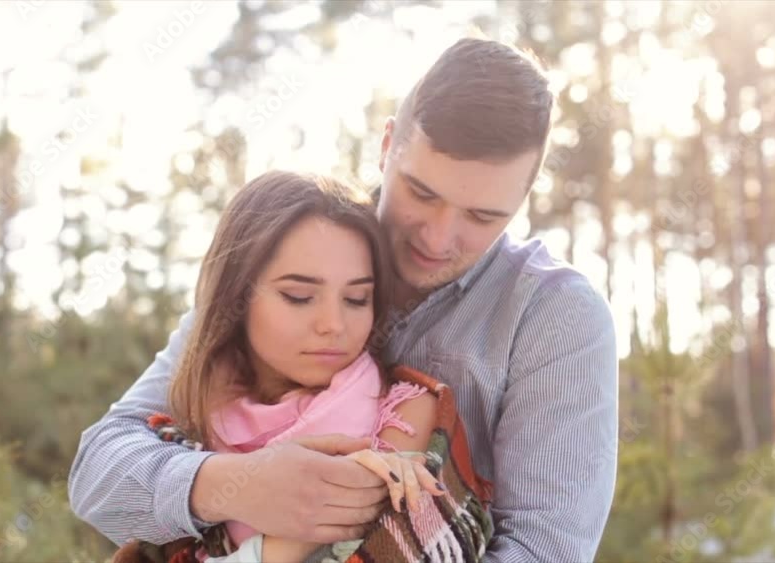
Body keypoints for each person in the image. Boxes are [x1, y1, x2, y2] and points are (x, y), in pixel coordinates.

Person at [69, 37, 619, 562]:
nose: (436, 237)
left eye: (482, 217)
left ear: (524, 197)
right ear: (386, 146)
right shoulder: (292, 249)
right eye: (421, 193)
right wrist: (238, 487)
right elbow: (99, 475)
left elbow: (546, 549)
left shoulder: (553, 316)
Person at [134, 170, 449, 561]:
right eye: (299, 296)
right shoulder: (193, 415)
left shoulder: (403, 413)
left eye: (356, 299)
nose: (333, 325)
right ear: (237, 295)